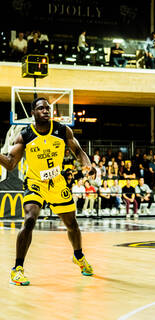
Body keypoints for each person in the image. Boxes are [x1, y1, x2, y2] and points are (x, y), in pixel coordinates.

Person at [0, 97, 94, 286]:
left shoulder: (61, 130)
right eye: (41, 108)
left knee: (72, 224)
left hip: (57, 183)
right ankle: (17, 269)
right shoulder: (25, 135)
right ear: (33, 113)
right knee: (29, 219)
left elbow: (77, 150)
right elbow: (10, 164)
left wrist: (87, 165)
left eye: (47, 108)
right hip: (35, 183)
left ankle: (78, 256)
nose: (45, 111)